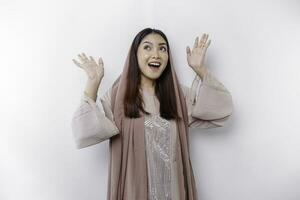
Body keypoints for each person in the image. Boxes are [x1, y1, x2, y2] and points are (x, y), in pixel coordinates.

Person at [71, 28, 234, 200]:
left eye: (162, 48)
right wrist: (93, 84)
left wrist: (201, 70)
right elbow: (84, 131)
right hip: (133, 193)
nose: (156, 54)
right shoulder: (117, 97)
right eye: (147, 47)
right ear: (135, 55)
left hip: (174, 193)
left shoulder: (178, 96)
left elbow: (220, 112)